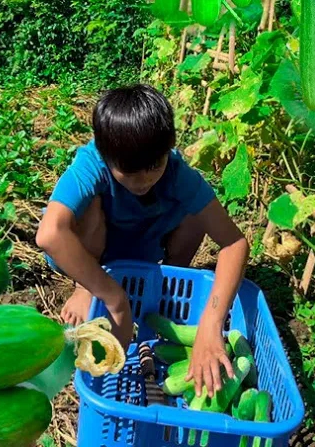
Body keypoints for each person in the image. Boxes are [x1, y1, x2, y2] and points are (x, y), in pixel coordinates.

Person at [36, 83, 250, 398]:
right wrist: (115, 300)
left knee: (196, 211)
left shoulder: (176, 173)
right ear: (105, 155)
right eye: (130, 173)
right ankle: (85, 286)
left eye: (154, 167)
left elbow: (234, 243)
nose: (145, 180)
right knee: (89, 208)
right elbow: (50, 234)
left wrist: (210, 323)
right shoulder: (92, 163)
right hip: (92, 252)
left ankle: (168, 283)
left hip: (144, 249)